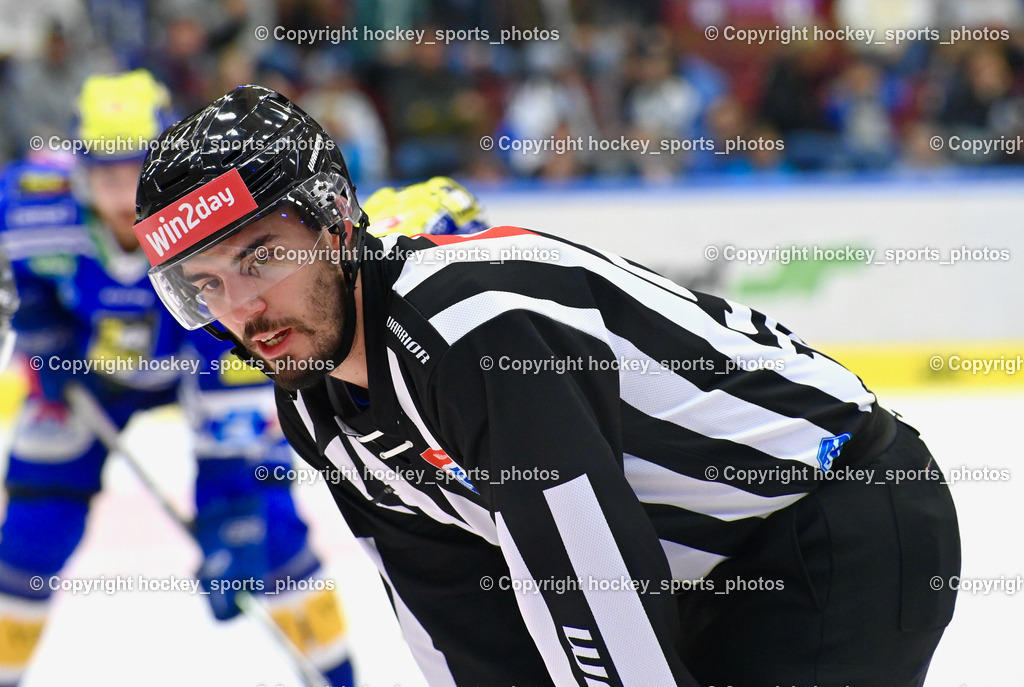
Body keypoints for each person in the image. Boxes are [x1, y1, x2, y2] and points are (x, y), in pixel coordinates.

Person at [134, 85, 961, 687]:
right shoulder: (313, 400)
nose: (240, 307)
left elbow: (590, 581)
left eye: (261, 256)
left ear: (336, 220)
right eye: (203, 283)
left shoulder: (471, 332)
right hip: (709, 567)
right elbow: (455, 613)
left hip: (839, 518)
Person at [0, 73, 354, 686]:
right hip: (92, 373)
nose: (120, 194)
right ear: (79, 165)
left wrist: (234, 500)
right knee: (33, 527)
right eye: (104, 173)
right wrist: (41, 331)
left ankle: (337, 677)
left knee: (265, 530)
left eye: (134, 171)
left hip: (209, 358)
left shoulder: (208, 211)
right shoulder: (35, 200)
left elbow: (233, 348)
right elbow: (21, 271)